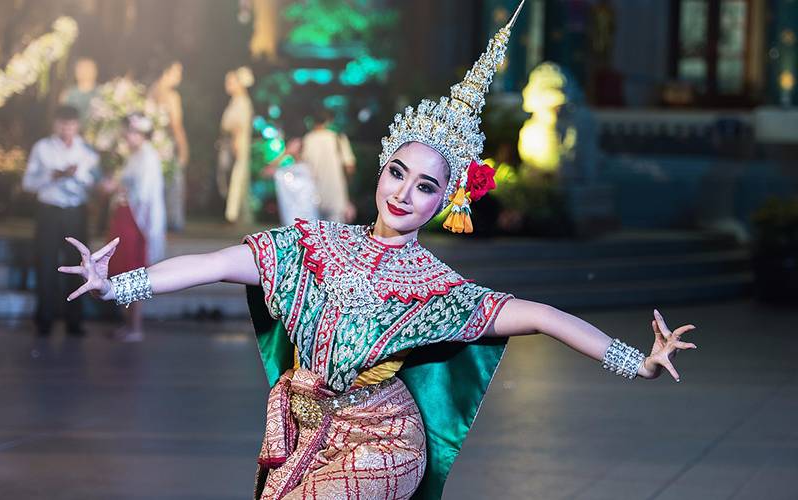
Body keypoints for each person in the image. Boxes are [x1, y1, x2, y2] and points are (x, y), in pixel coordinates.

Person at [58, 4, 698, 498]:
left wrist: (636, 364)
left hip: (384, 440)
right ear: (380, 169)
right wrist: (121, 286)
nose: (404, 193)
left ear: (443, 202)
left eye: (427, 187)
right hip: (304, 428)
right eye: (398, 172)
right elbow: (214, 265)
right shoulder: (311, 245)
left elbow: (540, 315)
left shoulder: (436, 288)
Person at [23, 105, 98, 337]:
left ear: (77, 125)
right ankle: (44, 320)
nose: (67, 129)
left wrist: (77, 175)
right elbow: (27, 183)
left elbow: (95, 184)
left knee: (78, 265)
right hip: (49, 211)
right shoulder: (42, 148)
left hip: (75, 212)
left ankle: (74, 321)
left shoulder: (87, 152)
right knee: (46, 263)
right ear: (56, 124)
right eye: (63, 124)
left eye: (71, 124)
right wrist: (50, 176)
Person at [100, 113, 166, 342]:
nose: (126, 136)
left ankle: (135, 326)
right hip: (125, 215)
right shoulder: (135, 155)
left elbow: (145, 193)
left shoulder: (148, 156)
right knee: (122, 268)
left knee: (133, 269)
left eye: (129, 132)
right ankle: (127, 324)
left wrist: (118, 188)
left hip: (135, 219)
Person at [149, 61, 189, 231]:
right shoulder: (172, 96)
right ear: (166, 72)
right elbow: (176, 125)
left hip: (150, 147)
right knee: (173, 186)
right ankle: (172, 225)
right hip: (165, 146)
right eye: (177, 72)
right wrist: (184, 149)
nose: (179, 77)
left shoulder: (150, 91)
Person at [300, 106, 356, 223]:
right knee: (335, 236)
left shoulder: (307, 139)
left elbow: (302, 167)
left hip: (312, 196)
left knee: (314, 235)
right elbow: (350, 167)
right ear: (330, 120)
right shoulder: (338, 138)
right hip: (336, 196)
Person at [218, 66, 255, 224]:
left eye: (231, 82)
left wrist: (236, 144)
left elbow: (240, 126)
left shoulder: (242, 102)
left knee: (236, 178)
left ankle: (232, 215)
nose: (228, 85)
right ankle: (235, 214)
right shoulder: (235, 101)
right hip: (230, 143)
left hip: (237, 143)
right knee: (232, 178)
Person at [60, 57, 99, 127]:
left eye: (88, 68)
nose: (84, 72)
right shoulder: (68, 94)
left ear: (95, 71)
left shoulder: (102, 93)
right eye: (80, 68)